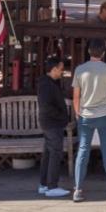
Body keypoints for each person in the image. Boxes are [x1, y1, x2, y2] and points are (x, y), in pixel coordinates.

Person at [72, 41, 106, 202]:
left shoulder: (80, 70)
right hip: (105, 115)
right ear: (103, 53)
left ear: (89, 51)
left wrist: (78, 114)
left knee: (83, 152)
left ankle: (78, 190)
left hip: (86, 116)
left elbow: (76, 96)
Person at [36, 56, 71, 197]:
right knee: (55, 153)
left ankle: (44, 185)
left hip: (50, 122)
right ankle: (52, 186)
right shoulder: (46, 84)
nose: (62, 72)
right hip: (51, 123)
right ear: (54, 69)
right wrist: (62, 116)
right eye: (61, 69)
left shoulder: (50, 82)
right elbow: (46, 107)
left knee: (49, 154)